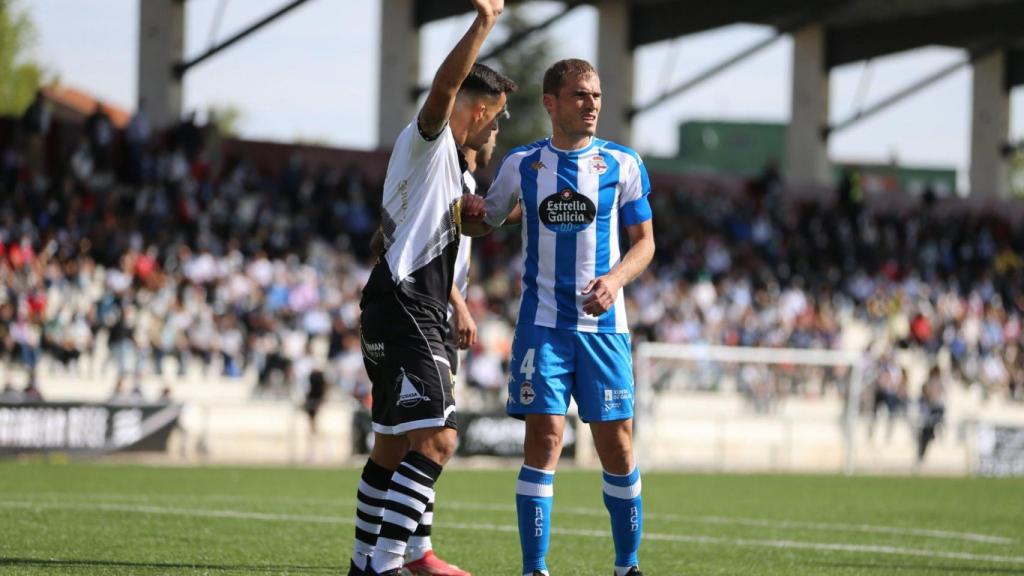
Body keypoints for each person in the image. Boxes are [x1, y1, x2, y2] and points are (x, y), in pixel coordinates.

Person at [463, 58, 655, 576]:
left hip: (604, 331)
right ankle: (535, 568)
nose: (591, 104)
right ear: (551, 103)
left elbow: (645, 244)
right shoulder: (522, 164)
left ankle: (627, 565)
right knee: (545, 438)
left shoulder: (624, 163)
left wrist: (614, 281)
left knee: (617, 447)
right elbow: (491, 219)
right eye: (579, 96)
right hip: (542, 326)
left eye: (595, 95)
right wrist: (469, 214)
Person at [348, 1, 515, 575]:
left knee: (393, 448)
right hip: (407, 303)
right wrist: (485, 22)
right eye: (498, 114)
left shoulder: (447, 168)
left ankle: (366, 562)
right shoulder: (432, 139)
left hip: (396, 301)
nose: (500, 126)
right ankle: (388, 563)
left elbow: (448, 229)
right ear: (478, 108)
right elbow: (445, 85)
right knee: (439, 443)